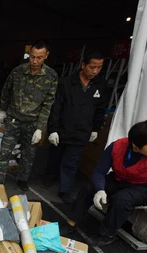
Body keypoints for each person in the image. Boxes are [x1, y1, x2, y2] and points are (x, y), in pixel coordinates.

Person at [67, 120, 147, 246]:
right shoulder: (117, 146)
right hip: (120, 179)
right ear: (135, 145)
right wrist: (100, 190)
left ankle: (107, 234)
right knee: (90, 187)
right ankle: (71, 222)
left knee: (122, 199)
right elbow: (99, 171)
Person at [44, 52, 107, 203]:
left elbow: (100, 109)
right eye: (92, 67)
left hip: (82, 131)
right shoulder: (66, 83)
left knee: (70, 162)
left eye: (99, 68)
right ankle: (49, 177)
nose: (95, 71)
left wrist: (95, 129)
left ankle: (64, 190)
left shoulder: (100, 85)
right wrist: (52, 129)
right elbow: (56, 107)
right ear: (83, 65)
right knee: (55, 156)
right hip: (63, 128)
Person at [0, 40, 58, 190]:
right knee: (4, 152)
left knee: (28, 154)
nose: (35, 61)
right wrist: (3, 110)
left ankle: (22, 179)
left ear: (46, 56)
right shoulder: (17, 71)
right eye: (32, 57)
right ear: (29, 55)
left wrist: (40, 128)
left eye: (39, 57)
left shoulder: (51, 76)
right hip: (14, 120)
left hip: (33, 123)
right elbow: (6, 91)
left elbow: (48, 103)